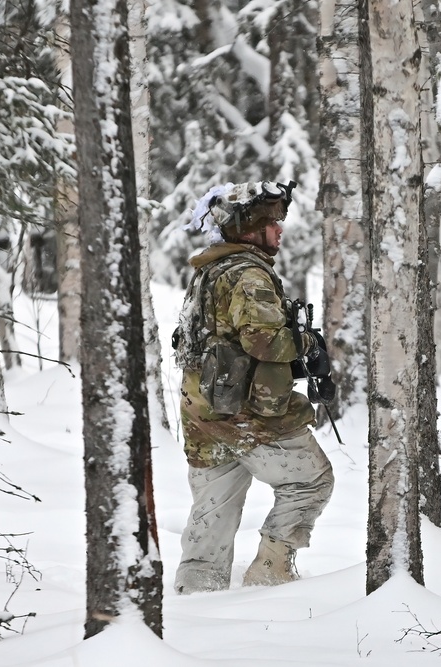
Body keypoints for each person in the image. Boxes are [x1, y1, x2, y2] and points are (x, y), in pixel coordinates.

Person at [172, 180, 334, 593]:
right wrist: (308, 344)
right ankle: (270, 572)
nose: (280, 228)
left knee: (214, 509)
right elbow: (264, 341)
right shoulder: (248, 274)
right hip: (247, 412)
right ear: (248, 228)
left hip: (203, 410)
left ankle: (197, 594)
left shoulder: (210, 269)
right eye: (272, 221)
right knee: (311, 481)